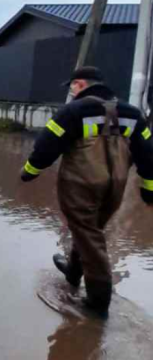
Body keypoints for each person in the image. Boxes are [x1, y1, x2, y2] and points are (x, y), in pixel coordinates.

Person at [20, 66, 153, 318]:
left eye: (72, 86)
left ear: (79, 84)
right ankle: (72, 270)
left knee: (89, 236)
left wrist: (30, 171)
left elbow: (46, 145)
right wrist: (149, 190)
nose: (71, 91)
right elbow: (147, 154)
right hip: (116, 185)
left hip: (81, 184)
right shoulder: (133, 114)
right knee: (89, 229)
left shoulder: (73, 111)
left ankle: (98, 300)